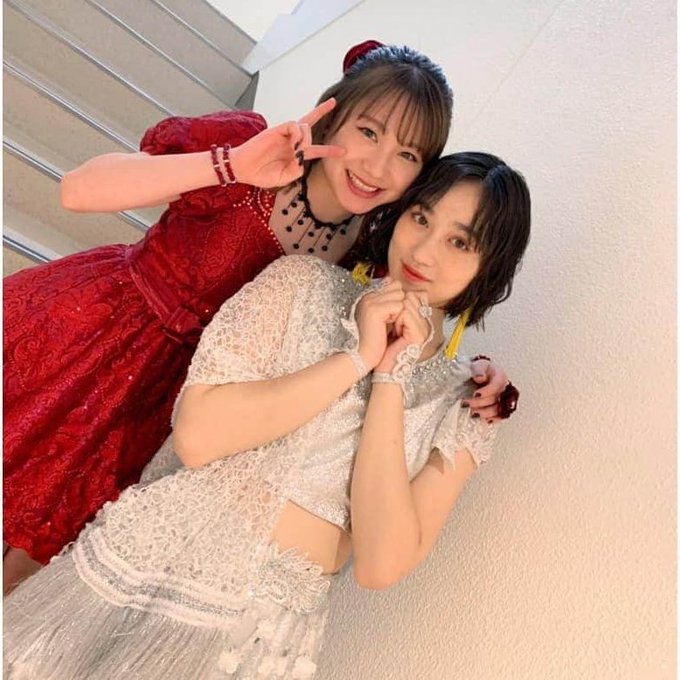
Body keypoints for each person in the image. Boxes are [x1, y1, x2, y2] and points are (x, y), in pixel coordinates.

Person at [3, 41, 514, 592]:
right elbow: (78, 189)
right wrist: (232, 165)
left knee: (38, 561)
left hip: (172, 408)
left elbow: (421, 304)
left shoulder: (369, 247)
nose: (377, 167)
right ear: (334, 113)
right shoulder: (250, 148)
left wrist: (478, 377)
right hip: (94, 336)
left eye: (407, 155)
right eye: (368, 132)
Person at [4, 150, 531, 679]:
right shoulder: (301, 283)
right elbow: (197, 436)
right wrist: (358, 358)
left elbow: (380, 564)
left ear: (491, 265)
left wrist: (391, 377)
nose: (423, 249)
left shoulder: (465, 405)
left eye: (459, 242)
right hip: (138, 567)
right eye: (420, 217)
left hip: (252, 641)